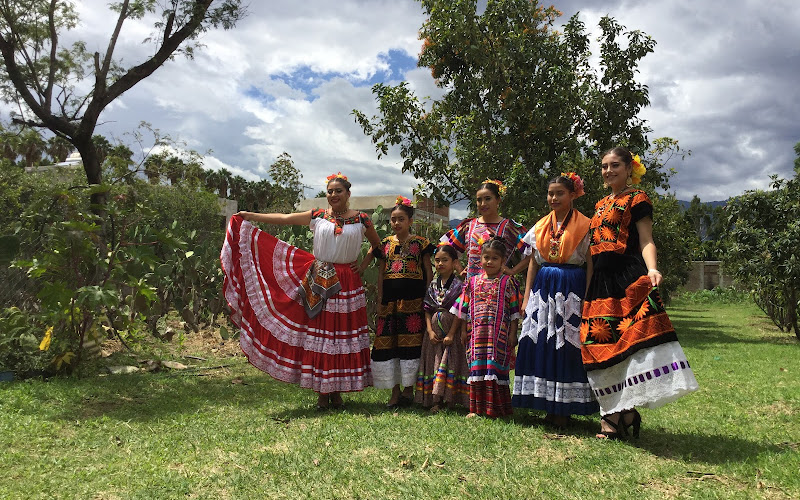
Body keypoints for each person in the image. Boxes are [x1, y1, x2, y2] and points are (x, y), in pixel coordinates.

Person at [221, 173, 381, 410]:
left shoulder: (362, 219)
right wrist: (250, 216)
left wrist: (364, 264)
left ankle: (337, 393)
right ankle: (323, 393)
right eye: (330, 191)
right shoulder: (317, 215)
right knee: (323, 337)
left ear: (348, 193)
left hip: (348, 282)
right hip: (320, 279)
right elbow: (285, 218)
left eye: (338, 191)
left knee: (342, 337)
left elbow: (378, 246)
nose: (333, 195)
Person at [581, 147, 699, 439]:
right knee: (597, 344)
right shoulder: (598, 205)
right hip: (601, 284)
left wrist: (653, 269)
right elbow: (593, 255)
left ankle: (614, 416)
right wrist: (588, 286)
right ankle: (625, 411)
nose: (608, 171)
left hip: (628, 278)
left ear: (629, 168)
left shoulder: (638, 199)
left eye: (615, 166)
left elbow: (646, 240)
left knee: (632, 344)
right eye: (604, 166)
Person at [512, 173, 599, 427]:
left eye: (559, 193)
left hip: (571, 287)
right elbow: (533, 264)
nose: (553, 198)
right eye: (550, 193)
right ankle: (541, 401)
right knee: (542, 342)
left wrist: (588, 295)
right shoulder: (540, 227)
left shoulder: (586, 225)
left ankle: (564, 406)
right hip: (544, 288)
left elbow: (591, 264)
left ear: (573, 195)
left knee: (566, 343)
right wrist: (527, 297)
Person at [365, 197, 434, 408]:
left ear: (410, 221)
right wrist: (379, 299)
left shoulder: (421, 244)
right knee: (391, 346)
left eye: (401, 219)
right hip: (390, 303)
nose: (396, 223)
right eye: (393, 219)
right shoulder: (385, 244)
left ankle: (408, 391)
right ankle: (394, 392)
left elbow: (428, 272)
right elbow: (380, 273)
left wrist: (429, 298)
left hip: (414, 302)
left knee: (411, 345)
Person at [452, 238, 521, 418]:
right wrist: (462, 331)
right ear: (480, 259)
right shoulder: (472, 283)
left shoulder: (508, 282)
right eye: (486, 257)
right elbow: (464, 309)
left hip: (499, 335)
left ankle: (496, 409)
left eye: (495, 258)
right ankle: (476, 409)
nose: (489, 262)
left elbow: (514, 311)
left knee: (495, 367)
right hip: (475, 335)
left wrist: (513, 334)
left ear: (503, 261)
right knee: (477, 368)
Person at [414, 244, 469, 412]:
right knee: (434, 363)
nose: (440, 264)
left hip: (451, 331)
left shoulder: (460, 286)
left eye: (445, 260)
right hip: (434, 334)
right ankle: (434, 400)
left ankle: (449, 399)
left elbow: (461, 312)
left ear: (454, 262)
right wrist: (429, 331)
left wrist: (452, 333)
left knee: (450, 362)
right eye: (437, 260)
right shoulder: (432, 285)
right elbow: (427, 310)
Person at [439, 180, 528, 280]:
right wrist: (460, 269)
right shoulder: (468, 226)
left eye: (488, 199)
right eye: (479, 200)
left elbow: (532, 251)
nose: (483, 204)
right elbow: (448, 248)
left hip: (499, 289)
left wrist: (513, 271)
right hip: (472, 288)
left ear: (498, 199)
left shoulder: (509, 227)